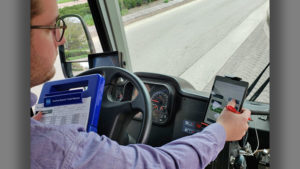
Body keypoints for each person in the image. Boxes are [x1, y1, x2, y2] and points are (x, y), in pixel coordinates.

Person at [30, 0, 251, 168]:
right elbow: (164, 164)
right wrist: (221, 130)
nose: (62, 40)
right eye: (51, 27)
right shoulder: (55, 146)